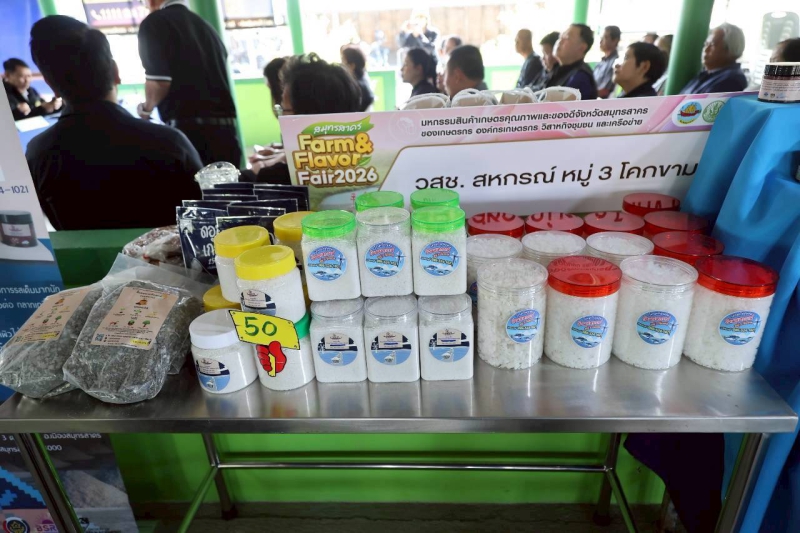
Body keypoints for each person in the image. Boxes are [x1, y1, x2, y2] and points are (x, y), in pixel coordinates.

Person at [26, 15, 202, 231]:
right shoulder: (171, 143)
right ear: (116, 72)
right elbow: (205, 219)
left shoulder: (38, 155)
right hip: (170, 254)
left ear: (51, 85)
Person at [137, 0, 241, 166]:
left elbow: (159, 81)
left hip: (190, 135)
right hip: (226, 134)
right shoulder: (207, 27)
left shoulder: (153, 23)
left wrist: (145, 109)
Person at [245, 54, 361, 184]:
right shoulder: (368, 168)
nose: (282, 118)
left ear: (306, 116)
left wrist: (259, 170)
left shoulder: (277, 181)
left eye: (284, 109)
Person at [680, 23, 748, 95]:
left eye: (712, 45)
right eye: (706, 44)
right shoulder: (707, 73)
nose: (706, 49)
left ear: (730, 49)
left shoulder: (732, 80)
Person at [547, 24, 598, 100]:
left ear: (582, 47)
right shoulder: (557, 69)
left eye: (566, 37)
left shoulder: (581, 78)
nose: (560, 40)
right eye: (560, 36)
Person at [341, 45, 374, 112]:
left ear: (352, 66)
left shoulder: (357, 87)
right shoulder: (362, 79)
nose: (341, 66)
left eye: (343, 62)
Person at [593, 25, 621, 98]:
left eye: (605, 37)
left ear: (615, 40)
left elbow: (605, 91)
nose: (600, 41)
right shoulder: (601, 62)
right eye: (601, 38)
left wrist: (585, 93)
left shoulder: (615, 63)